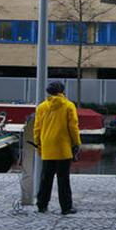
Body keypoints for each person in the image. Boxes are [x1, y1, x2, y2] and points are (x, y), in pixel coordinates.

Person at [31, 81, 81, 215]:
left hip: (47, 146)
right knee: (63, 179)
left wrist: (38, 144)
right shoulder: (69, 106)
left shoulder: (41, 107)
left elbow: (37, 129)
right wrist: (76, 143)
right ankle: (66, 207)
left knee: (45, 178)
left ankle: (42, 205)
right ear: (62, 91)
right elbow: (73, 127)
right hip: (63, 147)